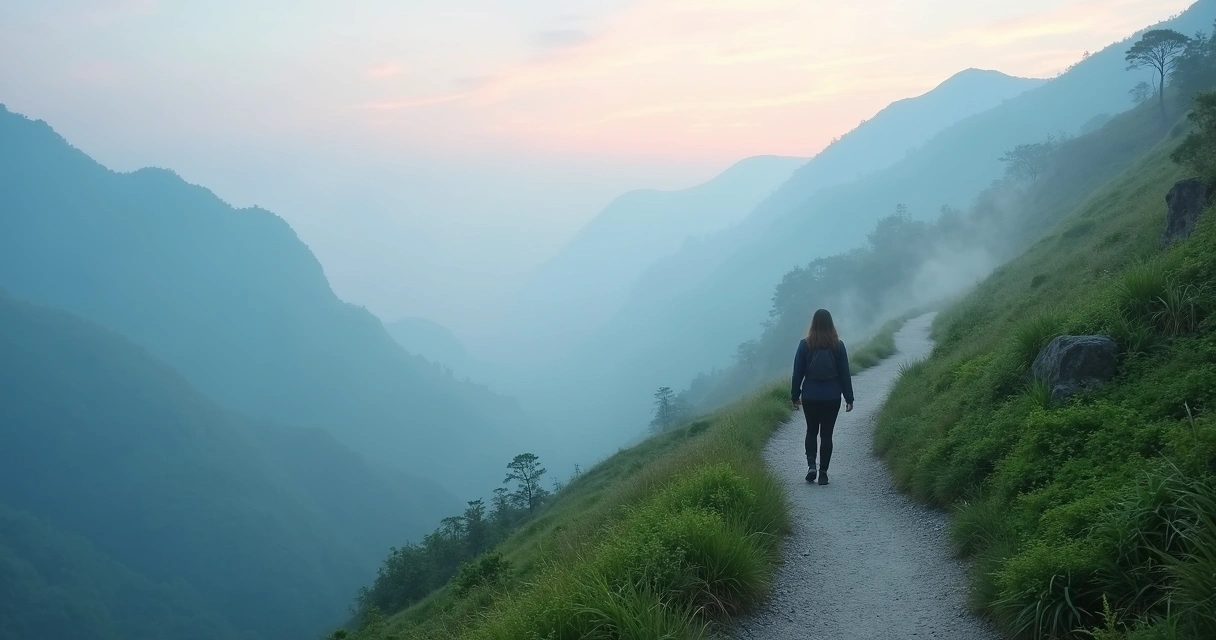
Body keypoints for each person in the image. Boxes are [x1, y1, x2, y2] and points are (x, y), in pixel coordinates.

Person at [791, 309, 854, 485]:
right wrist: (849, 398)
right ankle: (823, 473)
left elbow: (797, 373)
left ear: (813, 324)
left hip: (810, 395)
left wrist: (795, 395)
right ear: (831, 324)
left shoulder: (804, 345)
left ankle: (811, 465)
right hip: (832, 397)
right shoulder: (838, 346)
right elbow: (844, 374)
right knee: (827, 435)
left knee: (811, 430)